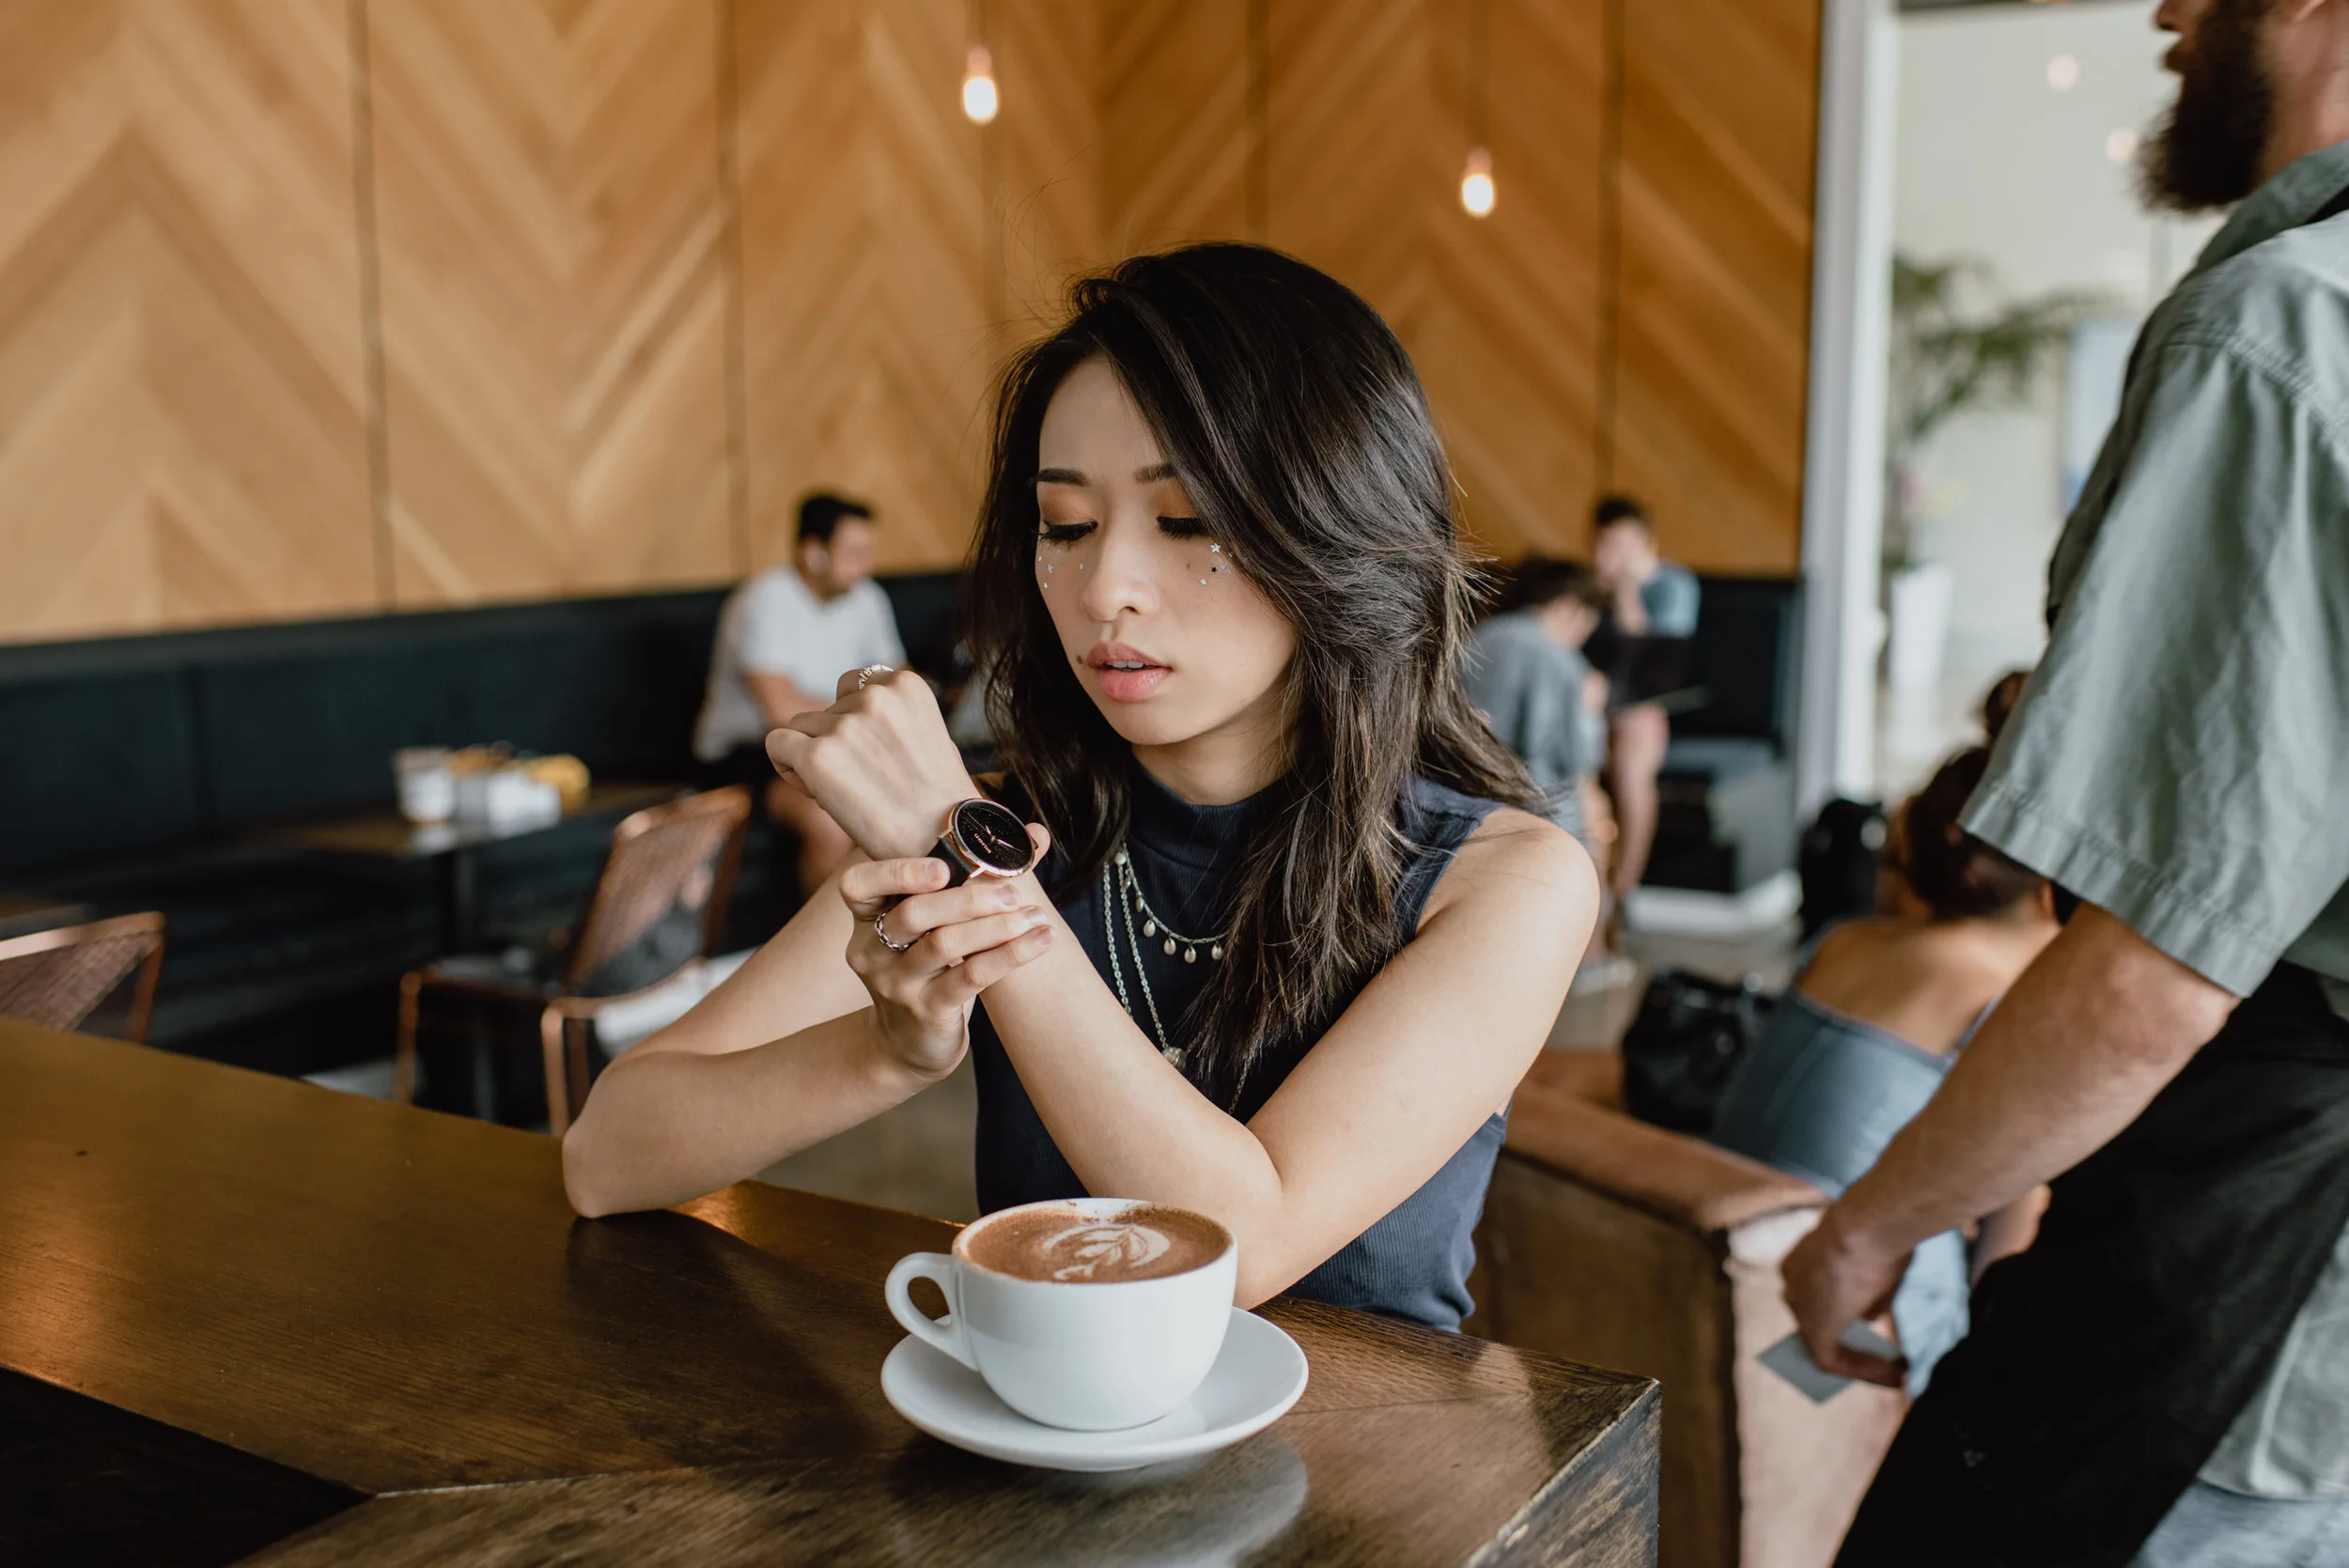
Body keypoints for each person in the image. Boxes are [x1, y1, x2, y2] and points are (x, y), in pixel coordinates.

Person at [563, 244, 1599, 1331]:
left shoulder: (1504, 881)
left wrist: (965, 854)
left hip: (1368, 1478)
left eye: (1188, 520)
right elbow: (604, 1156)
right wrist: (881, 1048)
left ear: (1337, 528)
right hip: (1041, 1469)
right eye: (1065, 525)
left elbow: (1239, 1245)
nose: (1105, 588)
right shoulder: (1014, 830)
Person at [1783, 2, 2349, 1562]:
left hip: (2242, 1325)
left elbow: (2159, 970)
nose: (2166, 13)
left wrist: (1870, 1223)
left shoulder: (2291, 325)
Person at [1714, 738, 2058, 1395]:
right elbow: (2009, 1246)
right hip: (1854, 1331)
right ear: (2053, 891)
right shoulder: (2007, 1002)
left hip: (1734, 1269)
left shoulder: (1844, 939)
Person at [694, 492, 905, 893]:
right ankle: (830, 950)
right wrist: (874, 708)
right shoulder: (764, 600)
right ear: (814, 553)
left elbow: (898, 680)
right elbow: (781, 710)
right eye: (855, 553)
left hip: (840, 743)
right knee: (830, 820)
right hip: (750, 754)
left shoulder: (868, 598)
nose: (867, 566)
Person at [1589, 495, 1699, 903]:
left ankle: (1623, 892)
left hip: (1645, 708)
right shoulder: (1587, 586)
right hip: (1594, 707)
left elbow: (1655, 662)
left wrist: (1624, 593)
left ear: (1646, 545)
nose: (1604, 557)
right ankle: (1589, 887)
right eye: (1599, 545)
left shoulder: (1674, 586)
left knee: (1631, 771)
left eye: (1616, 547)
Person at [1462, 558, 1610, 846]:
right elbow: (1575, 758)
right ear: (1570, 606)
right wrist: (1591, 712)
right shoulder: (1562, 662)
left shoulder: (1478, 638)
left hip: (1468, 802)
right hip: (1539, 817)